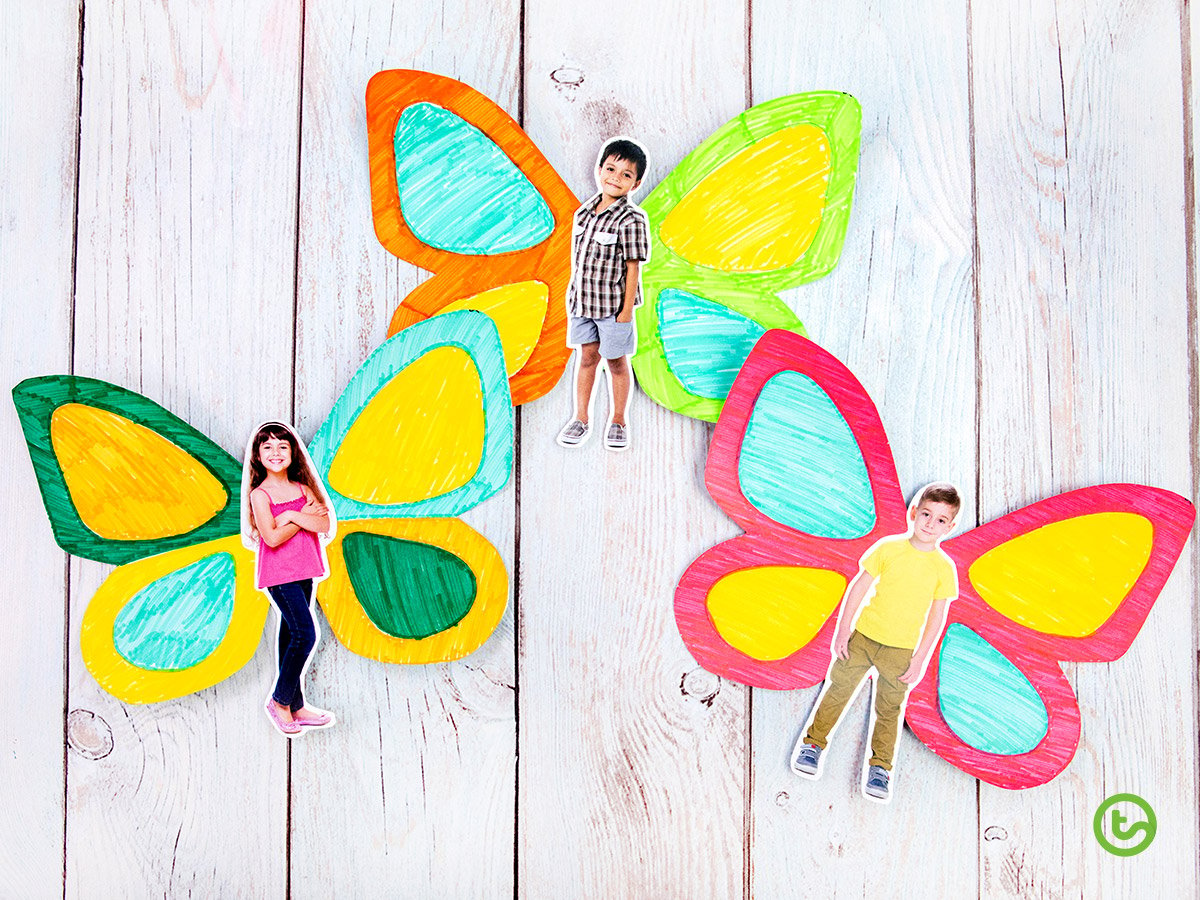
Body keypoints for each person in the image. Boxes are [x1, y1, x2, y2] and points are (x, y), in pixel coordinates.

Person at [790, 483, 961, 801]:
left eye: (940, 520)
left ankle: (880, 769)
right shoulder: (889, 548)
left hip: (901, 651)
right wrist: (843, 630)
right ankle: (812, 745)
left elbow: (937, 618)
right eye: (926, 514)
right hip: (864, 638)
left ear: (949, 527)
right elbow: (858, 587)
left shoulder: (943, 569)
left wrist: (921, 657)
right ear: (913, 513)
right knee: (837, 692)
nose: (929, 524)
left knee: (890, 708)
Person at [241, 421, 338, 737]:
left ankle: (296, 704)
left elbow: (323, 523)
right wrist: (302, 518)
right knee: (305, 633)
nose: (275, 452)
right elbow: (270, 537)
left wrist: (293, 515)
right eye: (267, 447)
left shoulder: (303, 489)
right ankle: (279, 700)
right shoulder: (260, 494)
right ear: (257, 455)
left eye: (282, 446)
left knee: (289, 636)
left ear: (293, 453)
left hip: (305, 570)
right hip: (279, 575)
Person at [556, 137, 650, 451]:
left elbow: (633, 267)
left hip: (613, 308)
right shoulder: (583, 213)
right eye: (610, 168)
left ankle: (619, 419)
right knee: (586, 359)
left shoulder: (632, 219)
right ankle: (580, 417)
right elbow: (578, 260)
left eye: (626, 174)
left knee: (617, 362)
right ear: (599, 170)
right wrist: (572, 298)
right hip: (582, 303)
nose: (615, 177)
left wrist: (625, 312)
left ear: (636, 183)